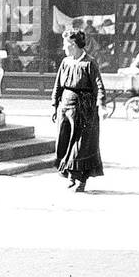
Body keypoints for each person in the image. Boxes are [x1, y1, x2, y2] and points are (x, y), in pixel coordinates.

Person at [51, 27, 106, 193]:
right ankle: (71, 175)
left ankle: (81, 179)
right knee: (64, 141)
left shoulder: (89, 63)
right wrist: (54, 105)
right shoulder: (66, 62)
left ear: (73, 44)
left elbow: (99, 86)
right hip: (65, 107)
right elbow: (58, 85)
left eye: (65, 44)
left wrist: (101, 105)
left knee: (81, 145)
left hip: (84, 109)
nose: (63, 48)